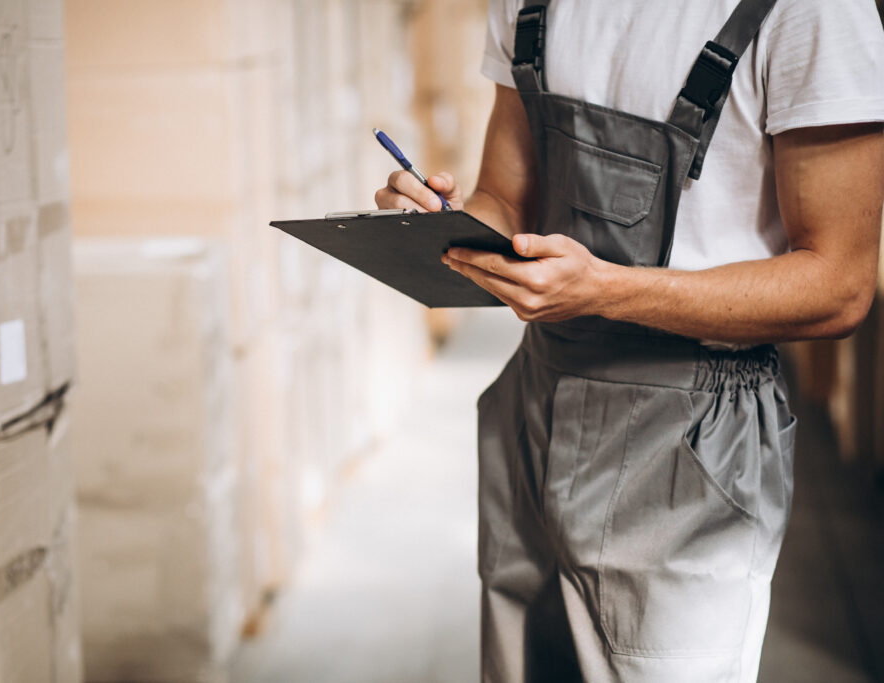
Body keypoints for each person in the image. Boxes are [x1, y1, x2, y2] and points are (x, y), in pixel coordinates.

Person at [374, 1, 884, 681]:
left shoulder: (812, 11)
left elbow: (839, 282)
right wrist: (443, 225)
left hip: (692, 438)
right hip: (539, 402)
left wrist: (606, 289)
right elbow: (505, 197)